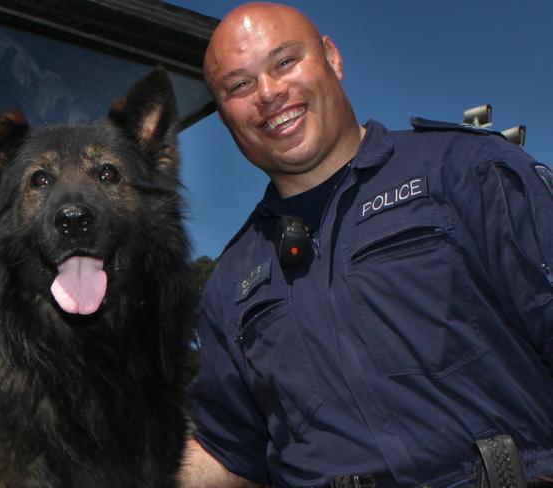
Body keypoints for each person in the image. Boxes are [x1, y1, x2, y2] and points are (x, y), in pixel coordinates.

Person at [177, 2, 553, 487]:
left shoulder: (466, 172)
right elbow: (230, 455)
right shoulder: (229, 283)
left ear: (332, 58)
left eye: (285, 62)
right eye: (239, 86)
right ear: (226, 115)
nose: (268, 93)